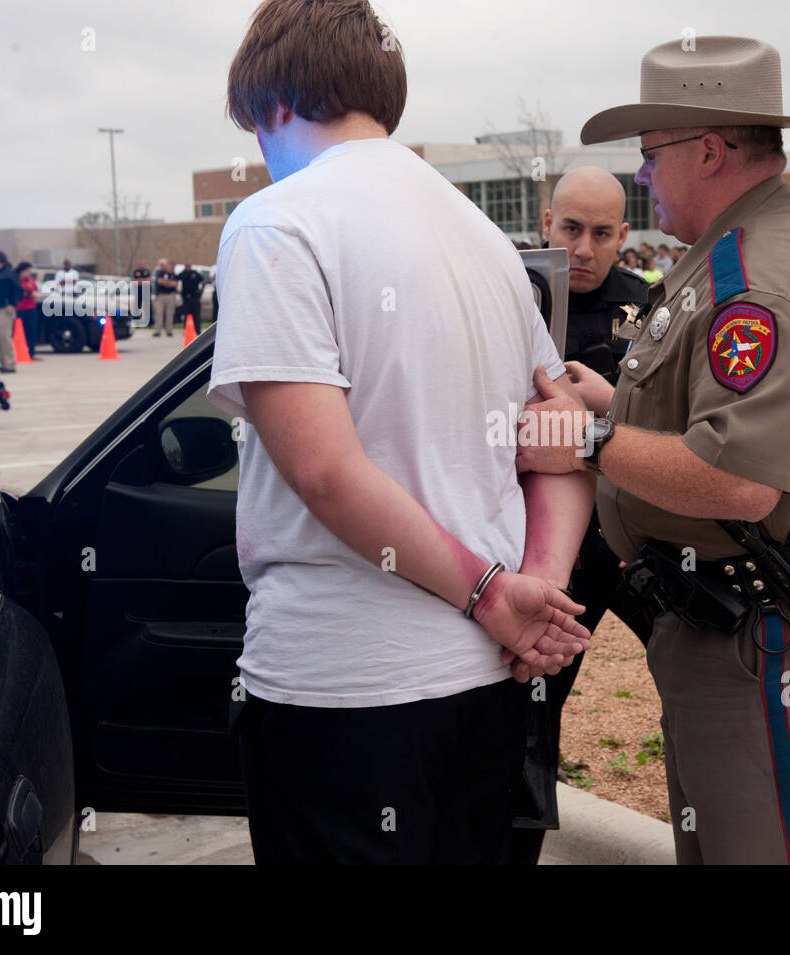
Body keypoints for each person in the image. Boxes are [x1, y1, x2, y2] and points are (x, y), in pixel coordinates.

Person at [208, 0, 592, 865]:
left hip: (342, 686)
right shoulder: (489, 243)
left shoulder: (277, 223)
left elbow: (326, 473)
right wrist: (537, 586)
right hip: (486, 686)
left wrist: (496, 594)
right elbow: (562, 444)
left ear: (272, 102)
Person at [519, 35, 790, 865]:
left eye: (651, 156)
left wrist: (584, 440)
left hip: (760, 631)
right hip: (737, 624)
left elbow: (737, 474)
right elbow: (711, 415)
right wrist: (613, 401)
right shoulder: (742, 246)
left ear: (709, 150)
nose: (644, 177)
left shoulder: (757, 276)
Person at [506, 166, 653, 865]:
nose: (584, 248)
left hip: (638, 543)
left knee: (700, 682)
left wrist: (609, 406)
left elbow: (687, 429)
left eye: (601, 233)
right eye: (571, 229)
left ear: (624, 234)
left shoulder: (653, 308)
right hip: (548, 547)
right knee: (530, 707)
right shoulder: (509, 296)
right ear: (546, 222)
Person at [14, 261, 41, 357]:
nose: (29, 273)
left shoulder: (31, 280)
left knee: (32, 331)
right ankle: (19, 352)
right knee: (20, 332)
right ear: (22, 271)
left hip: (31, 309)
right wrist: (25, 293)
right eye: (27, 271)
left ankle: (31, 352)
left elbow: (37, 294)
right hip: (19, 309)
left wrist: (31, 293)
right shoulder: (16, 280)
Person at [153, 258, 179, 336]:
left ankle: (169, 331)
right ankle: (157, 331)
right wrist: (168, 283)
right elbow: (160, 281)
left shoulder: (174, 275)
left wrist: (166, 283)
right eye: (171, 266)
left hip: (170, 295)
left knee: (169, 314)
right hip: (161, 295)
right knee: (159, 313)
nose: (172, 268)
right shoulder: (161, 273)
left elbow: (175, 284)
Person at [178, 264, 205, 332]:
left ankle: (198, 329)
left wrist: (201, 292)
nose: (187, 267)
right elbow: (177, 281)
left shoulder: (195, 273)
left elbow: (203, 281)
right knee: (186, 314)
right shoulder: (182, 274)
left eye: (188, 266)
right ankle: (187, 329)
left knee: (196, 314)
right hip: (186, 297)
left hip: (195, 297)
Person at [131, 259, 152, 323]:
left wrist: (141, 281)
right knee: (137, 306)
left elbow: (150, 280)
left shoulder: (147, 271)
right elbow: (133, 281)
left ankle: (149, 322)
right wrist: (143, 281)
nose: (141, 265)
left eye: (142, 264)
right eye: (140, 264)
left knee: (147, 306)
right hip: (138, 291)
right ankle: (136, 321)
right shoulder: (135, 272)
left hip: (146, 292)